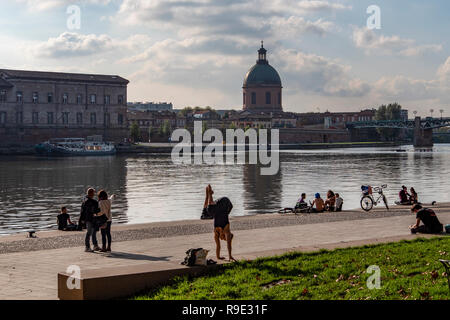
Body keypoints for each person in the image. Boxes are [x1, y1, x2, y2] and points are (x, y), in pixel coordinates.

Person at [203, 184, 235, 262]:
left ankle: (209, 195)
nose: (222, 239)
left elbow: (218, 246)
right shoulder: (227, 230)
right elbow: (229, 245)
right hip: (225, 203)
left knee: (209, 210)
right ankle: (210, 194)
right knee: (211, 208)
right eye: (224, 238)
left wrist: (218, 257)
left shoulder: (216, 232)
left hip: (217, 209)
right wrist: (230, 255)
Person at [80, 188, 101, 252]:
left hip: (88, 219)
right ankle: (88, 247)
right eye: (93, 193)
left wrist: (82, 219)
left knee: (92, 232)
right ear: (91, 193)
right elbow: (97, 210)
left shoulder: (84, 201)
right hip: (91, 219)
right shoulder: (93, 202)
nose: (94, 194)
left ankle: (94, 245)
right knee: (90, 232)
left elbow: (82, 211)